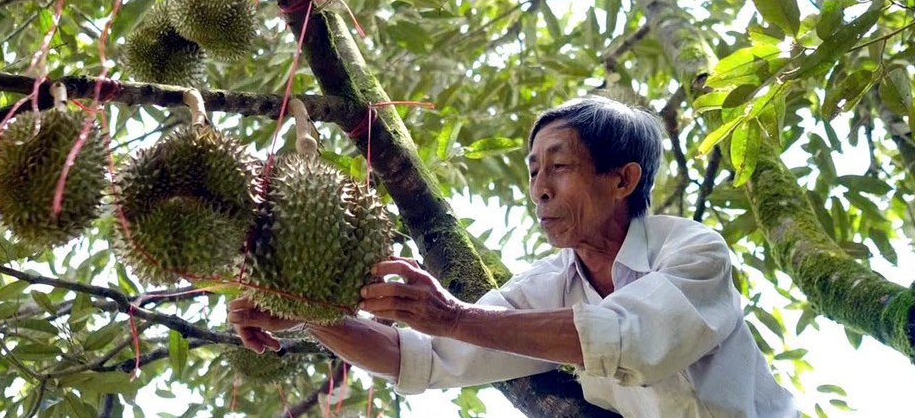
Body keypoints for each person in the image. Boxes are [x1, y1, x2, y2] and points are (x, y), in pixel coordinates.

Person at [229, 96, 798, 417]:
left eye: (559, 166)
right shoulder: (550, 285)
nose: (539, 189)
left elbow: (634, 340)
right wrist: (309, 308)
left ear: (622, 179)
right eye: (532, 171)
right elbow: (421, 357)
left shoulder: (694, 252)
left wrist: (453, 314)